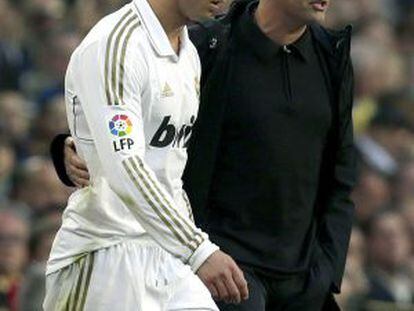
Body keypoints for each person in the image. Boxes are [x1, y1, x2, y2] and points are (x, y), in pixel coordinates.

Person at [53, 0, 356, 309]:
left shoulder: (187, 53)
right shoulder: (205, 45)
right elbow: (121, 150)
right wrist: (76, 147)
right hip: (120, 248)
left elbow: (342, 172)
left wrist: (327, 270)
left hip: (191, 253)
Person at [44, 0, 249, 310]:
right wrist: (198, 250)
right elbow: (125, 166)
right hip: (107, 251)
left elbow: (168, 164)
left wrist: (187, 245)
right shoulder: (116, 44)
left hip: (170, 251)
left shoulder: (188, 52)